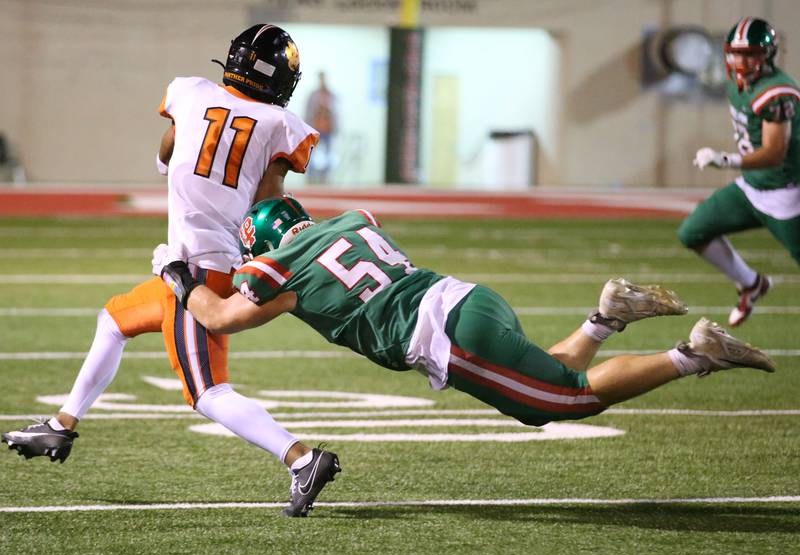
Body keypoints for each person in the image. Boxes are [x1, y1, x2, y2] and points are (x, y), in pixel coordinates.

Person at [2, 25, 339, 518]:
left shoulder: (190, 92)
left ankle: (302, 458)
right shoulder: (280, 125)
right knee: (114, 320)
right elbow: (268, 203)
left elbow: (166, 152)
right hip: (206, 262)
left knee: (207, 391)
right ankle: (61, 423)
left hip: (198, 273)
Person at [154, 196, 775, 434]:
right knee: (545, 374)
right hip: (468, 299)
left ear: (265, 241)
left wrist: (176, 277)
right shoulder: (349, 220)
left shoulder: (279, 267)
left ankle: (694, 355)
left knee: (561, 402)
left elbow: (220, 318)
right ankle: (605, 317)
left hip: (447, 335)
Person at [681, 16, 800, 327]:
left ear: (767, 55)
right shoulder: (738, 84)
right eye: (736, 53)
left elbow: (775, 153)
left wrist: (726, 160)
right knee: (693, 231)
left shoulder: (777, 93)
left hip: (787, 192)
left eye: (750, 54)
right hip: (752, 187)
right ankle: (751, 283)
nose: (742, 61)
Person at [304, 71, 338, 183]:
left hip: (327, 130)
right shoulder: (313, 95)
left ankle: (325, 178)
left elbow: (335, 113)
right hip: (316, 129)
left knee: (328, 155)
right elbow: (308, 112)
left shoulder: (330, 95)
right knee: (312, 155)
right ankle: (312, 178)